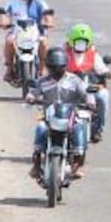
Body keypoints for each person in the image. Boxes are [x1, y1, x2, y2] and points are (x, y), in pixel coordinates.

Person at [27, 46, 93, 180]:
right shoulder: (42, 81)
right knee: (40, 128)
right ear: (48, 66)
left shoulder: (75, 80)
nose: (57, 70)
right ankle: (36, 164)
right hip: (50, 117)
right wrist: (31, 98)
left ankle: (77, 164)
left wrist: (90, 102)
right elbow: (33, 92)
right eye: (53, 67)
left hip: (69, 117)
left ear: (65, 66)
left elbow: (86, 93)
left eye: (60, 67)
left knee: (79, 128)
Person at [0, 0, 55, 80]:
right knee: (9, 41)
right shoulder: (12, 3)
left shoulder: (40, 3)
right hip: (16, 32)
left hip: (36, 32)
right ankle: (9, 69)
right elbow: (4, 15)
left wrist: (48, 23)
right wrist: (3, 23)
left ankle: (42, 68)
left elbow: (48, 16)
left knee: (44, 42)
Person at [64, 23, 111, 142]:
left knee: (103, 96)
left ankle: (97, 129)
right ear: (71, 41)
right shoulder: (63, 53)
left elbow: (102, 69)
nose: (80, 45)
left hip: (89, 89)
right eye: (77, 41)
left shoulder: (93, 55)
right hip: (68, 89)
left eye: (83, 42)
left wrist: (107, 73)